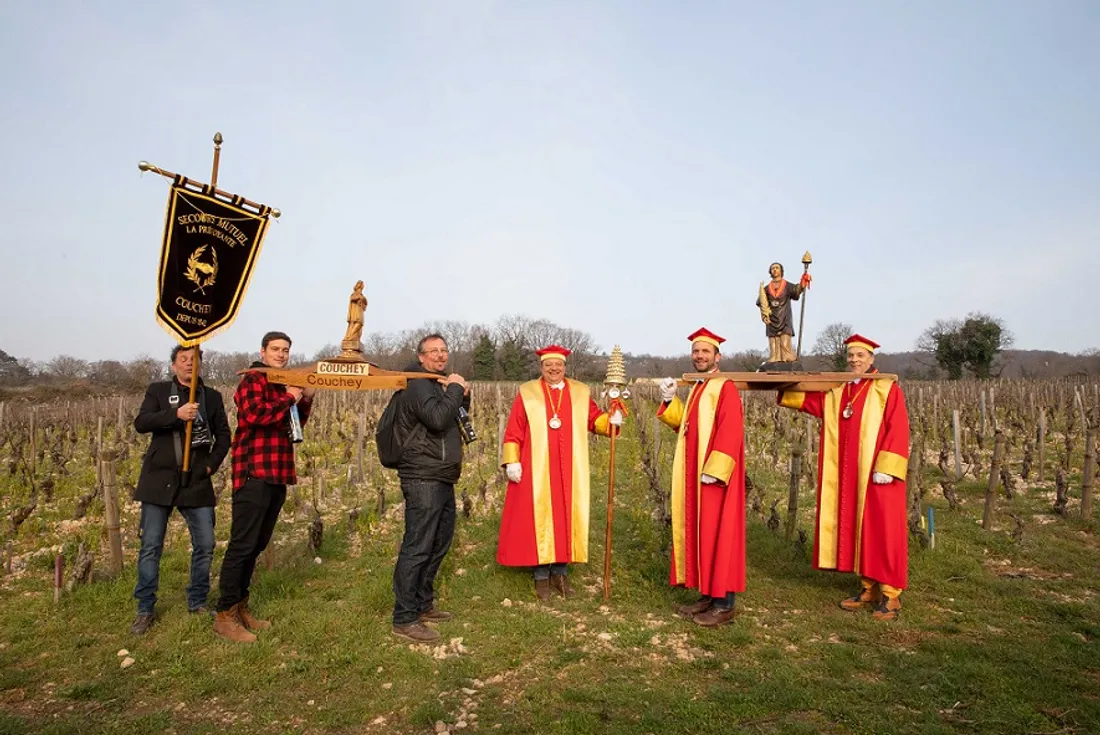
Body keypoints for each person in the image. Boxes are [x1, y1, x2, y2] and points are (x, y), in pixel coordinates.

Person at [776, 334, 910, 620]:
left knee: (883, 530)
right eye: (851, 356)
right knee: (861, 529)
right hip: (852, 473)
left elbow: (898, 428)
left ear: (872, 359)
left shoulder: (886, 389)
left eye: (860, 356)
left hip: (879, 474)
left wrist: (887, 467)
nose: (854, 360)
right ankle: (869, 587)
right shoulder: (842, 389)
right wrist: (783, 383)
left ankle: (891, 594)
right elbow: (816, 404)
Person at [497, 345, 622, 600]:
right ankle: (541, 576)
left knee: (566, 517)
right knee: (540, 518)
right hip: (537, 466)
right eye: (548, 366)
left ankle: (561, 574)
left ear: (565, 367)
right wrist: (512, 461)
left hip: (570, 468)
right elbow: (514, 429)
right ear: (541, 367)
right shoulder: (528, 393)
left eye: (559, 365)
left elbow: (594, 420)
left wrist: (611, 420)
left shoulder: (579, 392)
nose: (554, 369)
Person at [214, 331, 314, 643]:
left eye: (286, 350)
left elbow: (293, 423)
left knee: (257, 545)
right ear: (263, 351)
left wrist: (305, 399)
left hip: (278, 472)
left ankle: (241, 606)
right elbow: (255, 415)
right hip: (254, 472)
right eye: (276, 349)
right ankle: (224, 614)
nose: (282, 354)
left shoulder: (284, 382)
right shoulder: (254, 380)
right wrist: (290, 396)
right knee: (242, 544)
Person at [130, 345, 230, 634]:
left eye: (194, 359)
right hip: (158, 481)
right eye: (183, 360)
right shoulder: (158, 391)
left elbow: (223, 436)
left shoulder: (211, 397)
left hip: (196, 480)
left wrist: (210, 466)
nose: (189, 364)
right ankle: (145, 608)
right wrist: (176, 414)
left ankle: (197, 601)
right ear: (173, 366)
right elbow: (141, 423)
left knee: (206, 544)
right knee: (151, 546)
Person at [656, 328, 746, 627]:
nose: (699, 356)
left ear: (717, 356)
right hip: (695, 474)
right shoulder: (699, 386)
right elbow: (686, 426)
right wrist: (670, 402)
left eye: (705, 351)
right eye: (696, 351)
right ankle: (708, 595)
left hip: (714, 477)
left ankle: (725, 605)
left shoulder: (725, 387)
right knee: (703, 533)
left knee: (720, 534)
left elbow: (731, 430)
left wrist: (716, 471)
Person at [390, 334, 470, 643]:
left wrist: (460, 395)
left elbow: (451, 418)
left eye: (443, 351)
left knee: (439, 541)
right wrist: (453, 388)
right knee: (419, 544)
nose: (439, 356)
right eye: (433, 352)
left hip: (440, 473)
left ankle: (422, 604)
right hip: (422, 475)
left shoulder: (435, 383)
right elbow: (437, 419)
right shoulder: (418, 382)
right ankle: (404, 617)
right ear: (421, 357)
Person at [755, 262, 810, 363]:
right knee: (773, 342)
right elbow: (761, 302)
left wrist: (803, 282)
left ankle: (787, 356)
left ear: (781, 271)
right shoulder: (766, 289)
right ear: (770, 272)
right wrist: (764, 316)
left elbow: (796, 291)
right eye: (772, 268)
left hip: (784, 316)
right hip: (772, 317)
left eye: (777, 268)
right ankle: (775, 357)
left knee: (784, 341)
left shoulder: (787, 286)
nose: (775, 270)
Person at [343, 280, 368, 347]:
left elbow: (365, 304)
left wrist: (364, 300)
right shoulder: (355, 293)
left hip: (360, 311)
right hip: (355, 312)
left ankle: (356, 338)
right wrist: (360, 297)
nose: (363, 286)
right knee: (358, 323)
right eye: (362, 285)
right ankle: (349, 337)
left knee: (360, 325)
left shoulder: (361, 295)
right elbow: (352, 298)